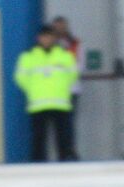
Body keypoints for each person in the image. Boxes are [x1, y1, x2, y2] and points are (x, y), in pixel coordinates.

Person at [14, 25, 79, 162]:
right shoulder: (28, 57)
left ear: (54, 38)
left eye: (49, 37)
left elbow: (73, 75)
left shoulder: (65, 56)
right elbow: (20, 78)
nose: (46, 39)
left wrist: (61, 88)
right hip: (38, 104)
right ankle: (38, 164)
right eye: (44, 37)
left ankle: (65, 162)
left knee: (63, 138)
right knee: (38, 138)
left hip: (60, 103)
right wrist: (33, 89)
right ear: (39, 38)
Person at [51, 15, 85, 149]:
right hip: (53, 91)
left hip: (71, 90)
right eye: (56, 27)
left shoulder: (76, 44)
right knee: (57, 125)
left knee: (69, 123)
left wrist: (62, 73)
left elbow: (80, 66)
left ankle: (70, 152)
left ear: (66, 27)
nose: (59, 29)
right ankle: (61, 153)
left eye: (62, 26)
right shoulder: (48, 45)